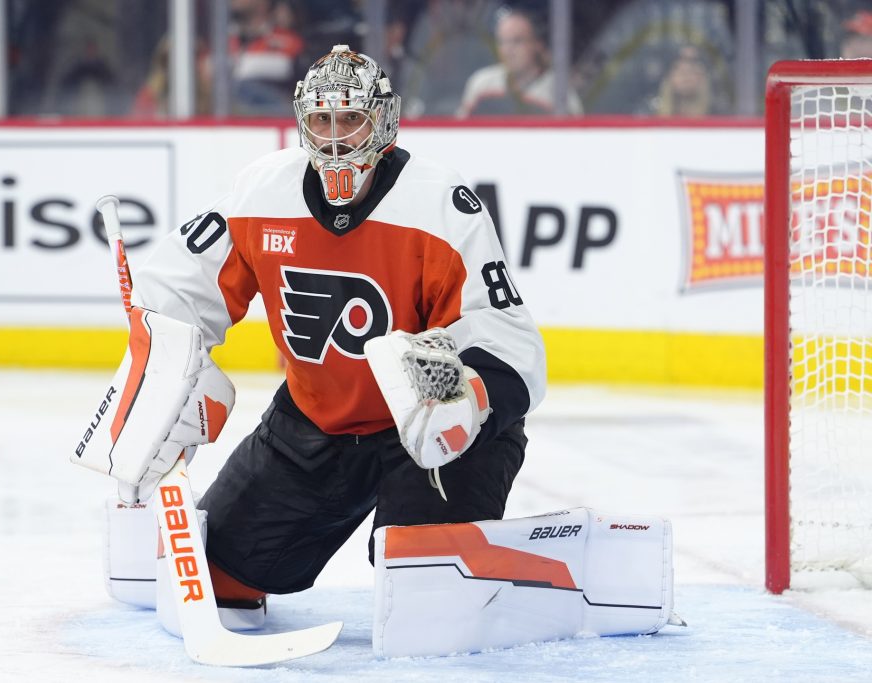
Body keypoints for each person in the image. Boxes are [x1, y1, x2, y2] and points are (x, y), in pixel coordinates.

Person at [93, 45, 546, 629]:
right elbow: (176, 290)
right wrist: (166, 379)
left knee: (427, 597)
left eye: (351, 119)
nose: (335, 139)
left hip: (428, 435)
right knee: (216, 584)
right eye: (322, 120)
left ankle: (515, 571)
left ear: (382, 122)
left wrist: (467, 400)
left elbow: (510, 343)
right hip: (313, 425)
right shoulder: (261, 191)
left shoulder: (439, 203)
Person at [457, 5, 582, 117]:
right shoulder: (482, 84)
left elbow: (576, 132)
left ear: (536, 44)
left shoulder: (559, 91)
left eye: (517, 41)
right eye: (502, 42)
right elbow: (459, 130)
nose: (508, 50)